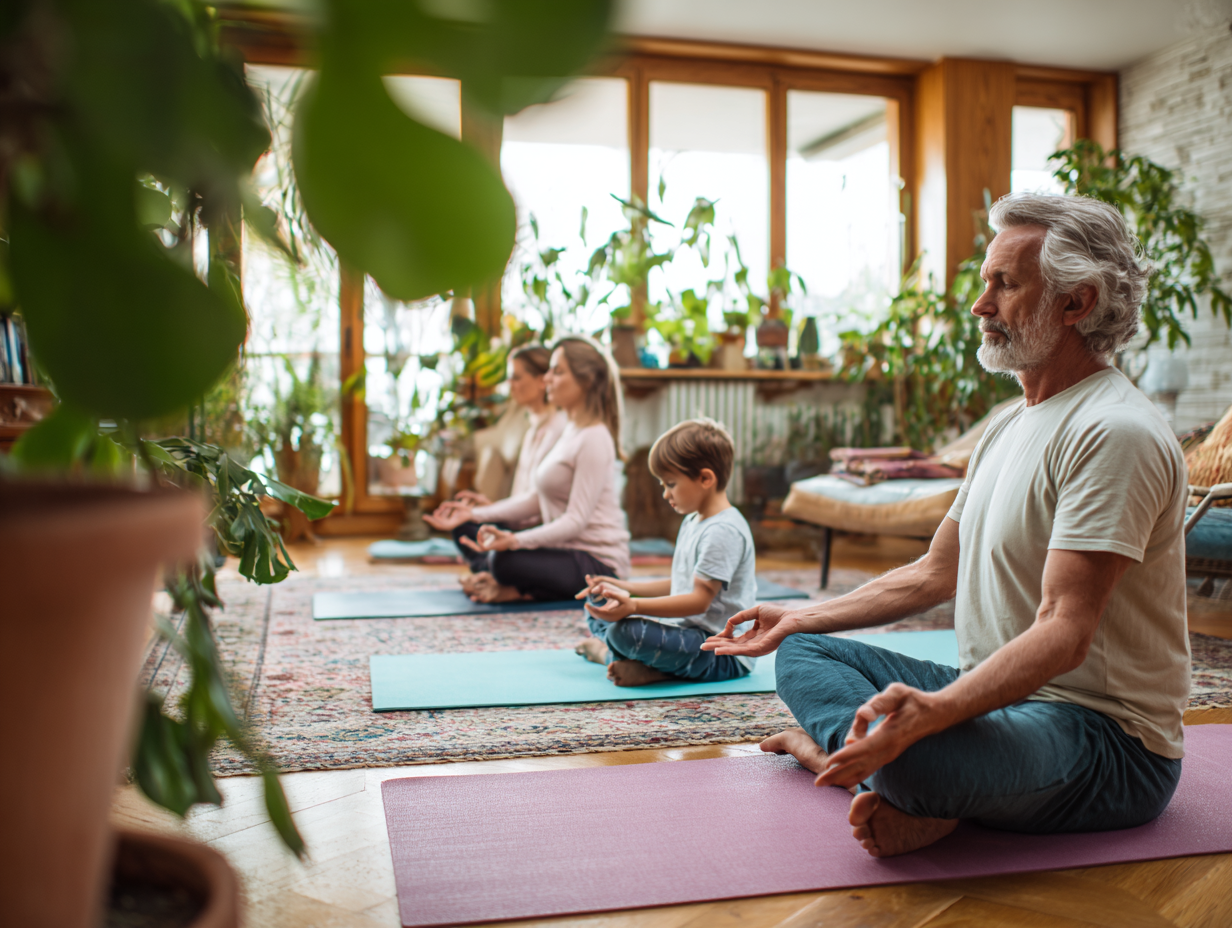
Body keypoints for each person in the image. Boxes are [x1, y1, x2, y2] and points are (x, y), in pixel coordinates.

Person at [705, 192, 1189, 858]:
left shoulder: (1115, 433)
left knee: (915, 758)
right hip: (1000, 699)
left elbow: (1065, 630)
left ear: (1076, 303)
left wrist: (937, 714)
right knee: (805, 653)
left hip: (1106, 742)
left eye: (1004, 284)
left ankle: (858, 767)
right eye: (984, 283)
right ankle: (904, 780)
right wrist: (801, 617)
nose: (979, 305)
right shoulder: (1006, 425)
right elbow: (937, 570)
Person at [425, 336, 630, 602]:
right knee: (480, 535)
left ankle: (514, 589)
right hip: (565, 551)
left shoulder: (594, 437)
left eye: (557, 372)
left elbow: (576, 520)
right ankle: (507, 584)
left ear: (586, 380)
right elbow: (535, 498)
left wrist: (513, 540)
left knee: (503, 559)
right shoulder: (573, 430)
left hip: (598, 565)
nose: (547, 380)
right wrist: (475, 513)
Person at [576, 418, 756, 687]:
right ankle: (643, 665)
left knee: (625, 632)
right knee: (598, 601)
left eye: (670, 484)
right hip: (685, 636)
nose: (664, 493)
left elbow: (698, 601)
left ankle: (608, 654)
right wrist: (625, 588)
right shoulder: (694, 520)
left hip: (721, 650)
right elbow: (682, 583)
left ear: (705, 478)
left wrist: (634, 605)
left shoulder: (723, 531)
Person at [429, 345, 567, 551]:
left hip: (536, 531)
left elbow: (537, 505)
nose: (509, 385)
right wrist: (489, 507)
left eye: (516, 378)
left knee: (498, 557)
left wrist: (491, 513)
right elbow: (522, 494)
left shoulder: (557, 429)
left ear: (541, 380)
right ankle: (490, 571)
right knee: (462, 524)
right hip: (518, 523)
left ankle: (493, 572)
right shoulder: (532, 428)